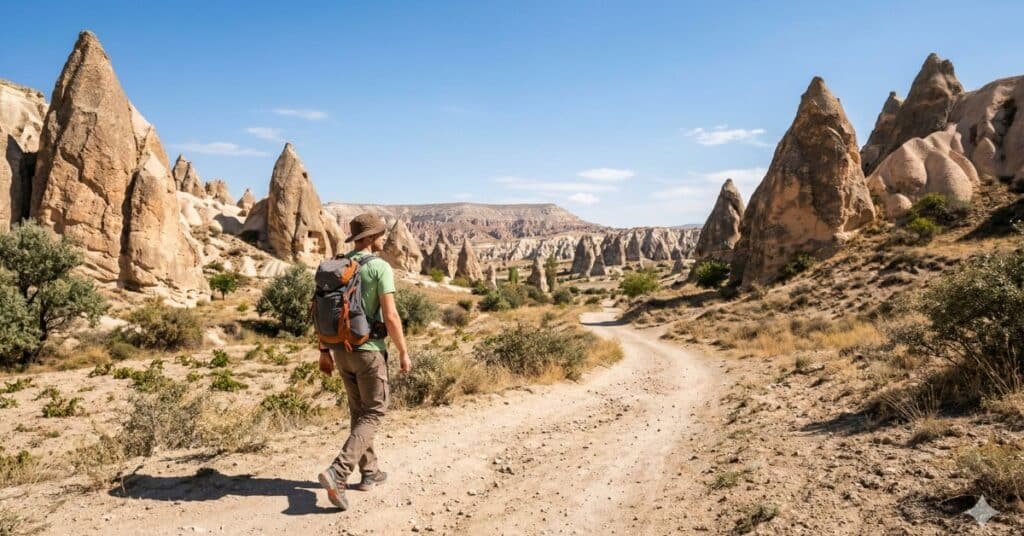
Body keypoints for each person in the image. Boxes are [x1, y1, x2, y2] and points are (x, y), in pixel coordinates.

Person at [318, 213, 412, 511]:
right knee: (374, 411)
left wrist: (323, 350)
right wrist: (403, 351)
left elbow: (320, 309)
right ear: (370, 238)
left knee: (360, 412)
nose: (384, 238)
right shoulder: (379, 267)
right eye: (380, 234)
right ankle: (338, 472)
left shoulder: (338, 266)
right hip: (369, 350)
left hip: (340, 351)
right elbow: (391, 315)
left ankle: (369, 472)